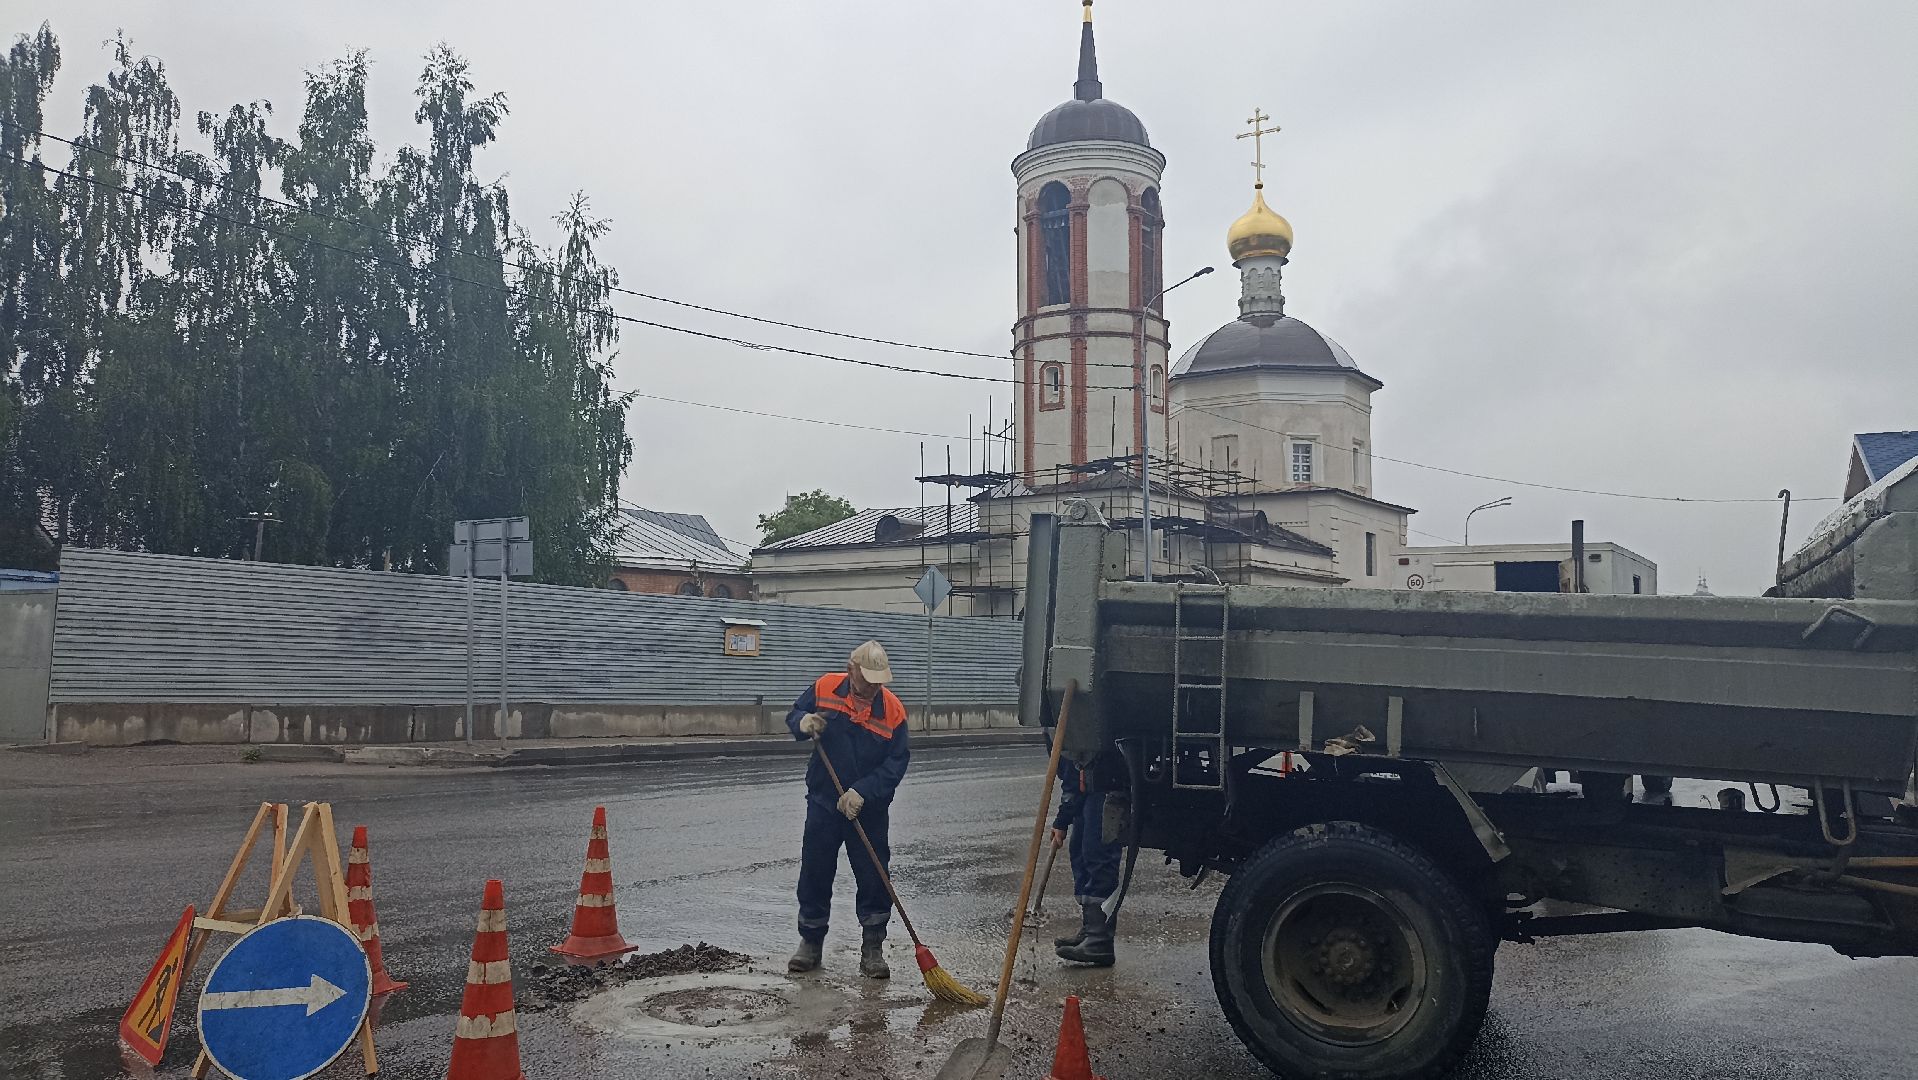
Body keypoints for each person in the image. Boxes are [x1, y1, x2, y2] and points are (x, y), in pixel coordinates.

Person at [785, 640, 911, 979]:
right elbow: (793, 714)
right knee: (815, 871)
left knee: (874, 877)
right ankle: (810, 942)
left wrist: (863, 792)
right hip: (825, 801)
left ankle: (872, 947)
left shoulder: (893, 710)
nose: (872, 687)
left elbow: (897, 762)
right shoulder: (826, 687)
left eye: (877, 681)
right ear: (851, 668)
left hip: (867, 809)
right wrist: (805, 722)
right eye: (866, 678)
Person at [1052, 754, 1121, 966]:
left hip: (1107, 781)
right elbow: (1070, 772)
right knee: (1080, 853)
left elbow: (1073, 768)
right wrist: (1064, 816)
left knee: (1098, 856)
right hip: (1086, 784)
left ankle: (1100, 940)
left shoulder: (1073, 724)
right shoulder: (1053, 728)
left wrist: (1063, 817)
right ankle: (1091, 928)